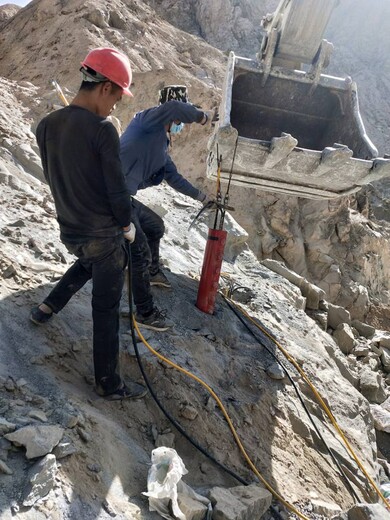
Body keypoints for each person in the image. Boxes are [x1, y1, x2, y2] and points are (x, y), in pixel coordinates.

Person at [30, 47, 146, 401]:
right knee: (106, 308)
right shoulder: (102, 129)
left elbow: (57, 178)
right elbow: (116, 190)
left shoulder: (47, 124)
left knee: (87, 260)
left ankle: (46, 307)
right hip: (103, 236)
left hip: (70, 230)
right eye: (117, 98)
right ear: (105, 87)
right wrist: (127, 226)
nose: (115, 107)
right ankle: (108, 383)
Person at [120, 85, 215, 332]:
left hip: (124, 196)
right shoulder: (146, 120)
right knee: (138, 252)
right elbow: (173, 107)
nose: (181, 124)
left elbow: (174, 178)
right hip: (111, 193)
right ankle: (145, 313)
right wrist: (203, 116)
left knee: (155, 225)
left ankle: (151, 273)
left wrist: (203, 197)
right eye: (182, 118)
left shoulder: (160, 144)